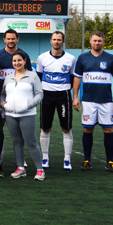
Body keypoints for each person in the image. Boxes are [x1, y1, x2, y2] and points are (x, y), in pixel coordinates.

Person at [72, 30, 113, 172]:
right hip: (88, 101)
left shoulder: (110, 58)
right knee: (88, 129)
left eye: (99, 41)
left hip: (106, 101)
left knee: (108, 129)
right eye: (94, 40)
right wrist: (75, 96)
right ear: (90, 41)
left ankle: (110, 162)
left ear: (103, 42)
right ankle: (87, 161)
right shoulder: (83, 58)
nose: (97, 43)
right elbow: (77, 77)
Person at [1, 52, 45, 180]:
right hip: (10, 115)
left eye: (19, 60)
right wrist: (3, 106)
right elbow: (2, 95)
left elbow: (39, 94)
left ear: (25, 60)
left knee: (31, 142)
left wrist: (28, 106)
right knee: (16, 142)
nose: (17, 63)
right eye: (14, 61)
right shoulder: (8, 78)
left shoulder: (32, 76)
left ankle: (40, 169)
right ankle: (20, 168)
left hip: (27, 114)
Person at [36, 31, 76, 170]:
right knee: (45, 127)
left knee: (66, 128)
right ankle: (45, 157)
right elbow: (39, 76)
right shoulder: (42, 58)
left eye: (59, 39)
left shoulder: (71, 59)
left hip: (63, 96)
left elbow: (72, 77)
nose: (57, 42)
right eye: (54, 39)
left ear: (63, 42)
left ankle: (67, 159)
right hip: (46, 95)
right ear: (51, 41)